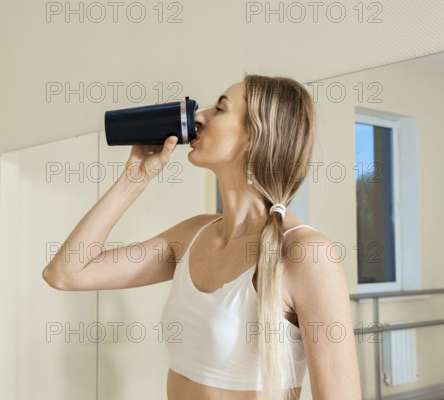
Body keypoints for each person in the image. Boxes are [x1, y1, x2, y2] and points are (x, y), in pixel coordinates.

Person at [42, 74, 362, 400]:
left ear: (255, 136)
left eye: (220, 109)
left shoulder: (306, 254)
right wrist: (134, 179)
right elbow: (66, 273)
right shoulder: (193, 235)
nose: (198, 117)